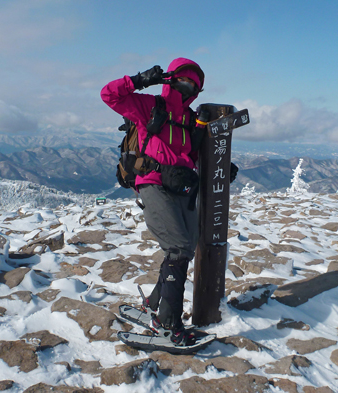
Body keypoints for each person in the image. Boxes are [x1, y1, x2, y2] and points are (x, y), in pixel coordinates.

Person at [101, 58, 208, 346]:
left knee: (188, 244)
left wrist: (223, 166)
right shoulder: (149, 106)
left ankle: (153, 304)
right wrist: (139, 80)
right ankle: (167, 325)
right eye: (184, 80)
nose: (188, 87)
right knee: (178, 247)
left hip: (181, 186)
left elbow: (191, 156)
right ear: (173, 80)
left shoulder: (189, 119)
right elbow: (109, 95)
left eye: (194, 85)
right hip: (151, 182)